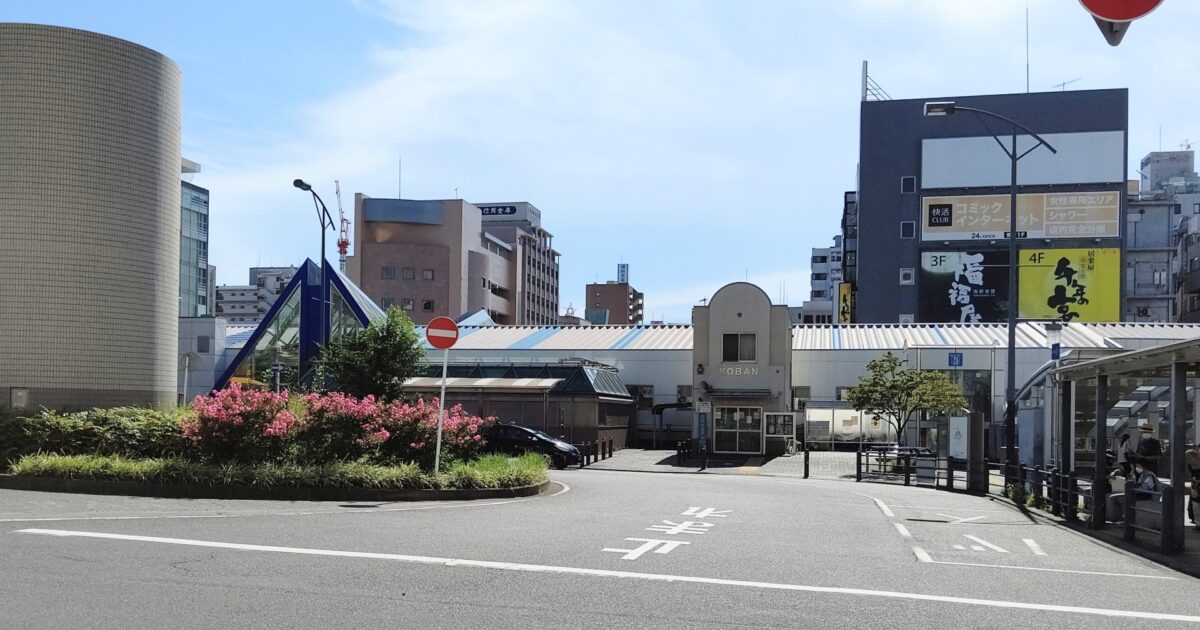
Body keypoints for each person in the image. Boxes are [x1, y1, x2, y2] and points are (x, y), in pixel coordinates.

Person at [1186, 441, 1200, 530]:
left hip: (1196, 484)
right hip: (1195, 485)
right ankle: (1198, 523)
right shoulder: (1189, 465)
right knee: (1195, 504)